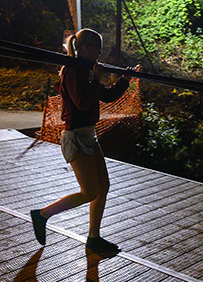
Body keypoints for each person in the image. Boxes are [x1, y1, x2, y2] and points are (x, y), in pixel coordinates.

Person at [31, 28, 132, 257]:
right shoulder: (72, 71)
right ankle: (43, 214)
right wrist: (96, 79)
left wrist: (124, 81)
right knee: (89, 191)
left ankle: (93, 237)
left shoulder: (85, 69)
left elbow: (104, 96)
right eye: (97, 48)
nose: (100, 54)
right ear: (84, 48)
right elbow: (83, 102)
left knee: (102, 186)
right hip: (75, 137)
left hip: (89, 135)